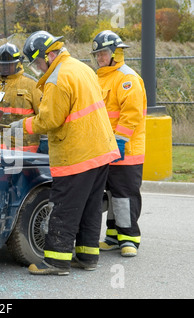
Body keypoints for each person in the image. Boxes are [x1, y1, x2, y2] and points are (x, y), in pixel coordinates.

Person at [10, 31, 120, 275]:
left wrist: (23, 125)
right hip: (100, 150)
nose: (38, 68)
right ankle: (87, 257)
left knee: (65, 206)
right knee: (91, 207)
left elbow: (50, 119)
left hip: (77, 154)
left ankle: (56, 261)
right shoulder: (81, 68)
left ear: (49, 55)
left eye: (38, 62)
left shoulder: (57, 78)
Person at [91, 30, 147, 257]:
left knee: (124, 196)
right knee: (113, 194)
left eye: (103, 53)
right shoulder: (99, 77)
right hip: (106, 148)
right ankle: (114, 235)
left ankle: (130, 239)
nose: (99, 58)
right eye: (97, 54)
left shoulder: (127, 78)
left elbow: (131, 115)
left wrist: (120, 142)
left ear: (115, 52)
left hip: (126, 150)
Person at [0, 43, 42, 152]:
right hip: (0, 152)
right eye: (2, 65)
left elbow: (43, 116)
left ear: (18, 64)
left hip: (28, 152)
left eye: (9, 65)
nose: (5, 68)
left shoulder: (32, 85)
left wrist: (45, 144)